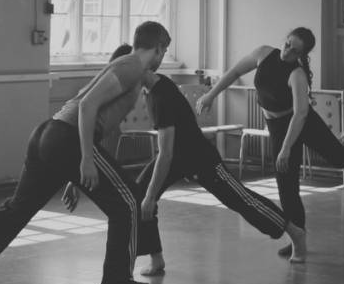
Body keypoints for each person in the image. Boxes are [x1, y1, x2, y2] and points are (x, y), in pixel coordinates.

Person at [0, 22, 171, 284]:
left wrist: (77, 174)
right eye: (163, 52)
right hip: (67, 139)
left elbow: (90, 115)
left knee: (17, 208)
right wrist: (85, 159)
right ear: (158, 48)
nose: (162, 59)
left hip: (48, 136)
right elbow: (87, 106)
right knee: (129, 201)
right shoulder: (131, 66)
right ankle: (116, 279)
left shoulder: (125, 66)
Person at [195, 27, 344, 260]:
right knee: (286, 185)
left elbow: (300, 115)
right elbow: (234, 72)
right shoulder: (264, 53)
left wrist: (285, 148)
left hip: (302, 124)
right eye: (287, 44)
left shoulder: (297, 74)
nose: (287, 52)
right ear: (284, 40)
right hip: (276, 126)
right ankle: (298, 240)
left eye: (294, 51)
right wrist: (211, 95)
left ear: (301, 55)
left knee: (340, 159)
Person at [131, 69, 308, 270]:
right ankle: (156, 258)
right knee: (139, 195)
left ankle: (295, 232)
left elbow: (165, 153)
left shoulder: (161, 94)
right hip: (176, 157)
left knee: (241, 199)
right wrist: (149, 195)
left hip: (200, 158)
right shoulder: (151, 88)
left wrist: (152, 196)